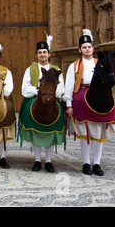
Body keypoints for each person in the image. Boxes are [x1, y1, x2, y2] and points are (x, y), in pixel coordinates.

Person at [63, 29, 115, 176]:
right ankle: (86, 162)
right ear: (79, 50)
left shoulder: (100, 63)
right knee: (85, 132)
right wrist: (69, 105)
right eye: (84, 47)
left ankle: (97, 163)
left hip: (100, 97)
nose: (87, 49)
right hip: (83, 96)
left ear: (93, 48)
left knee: (99, 131)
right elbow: (69, 86)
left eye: (89, 46)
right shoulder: (74, 66)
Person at [18, 34, 66, 172]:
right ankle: (37, 160)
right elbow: (25, 88)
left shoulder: (56, 70)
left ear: (49, 54)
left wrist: (51, 94)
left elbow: (61, 88)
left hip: (52, 102)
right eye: (40, 52)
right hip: (36, 99)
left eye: (44, 52)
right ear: (36, 55)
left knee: (50, 131)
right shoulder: (30, 69)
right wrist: (38, 91)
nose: (42, 54)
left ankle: (49, 161)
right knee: (35, 129)